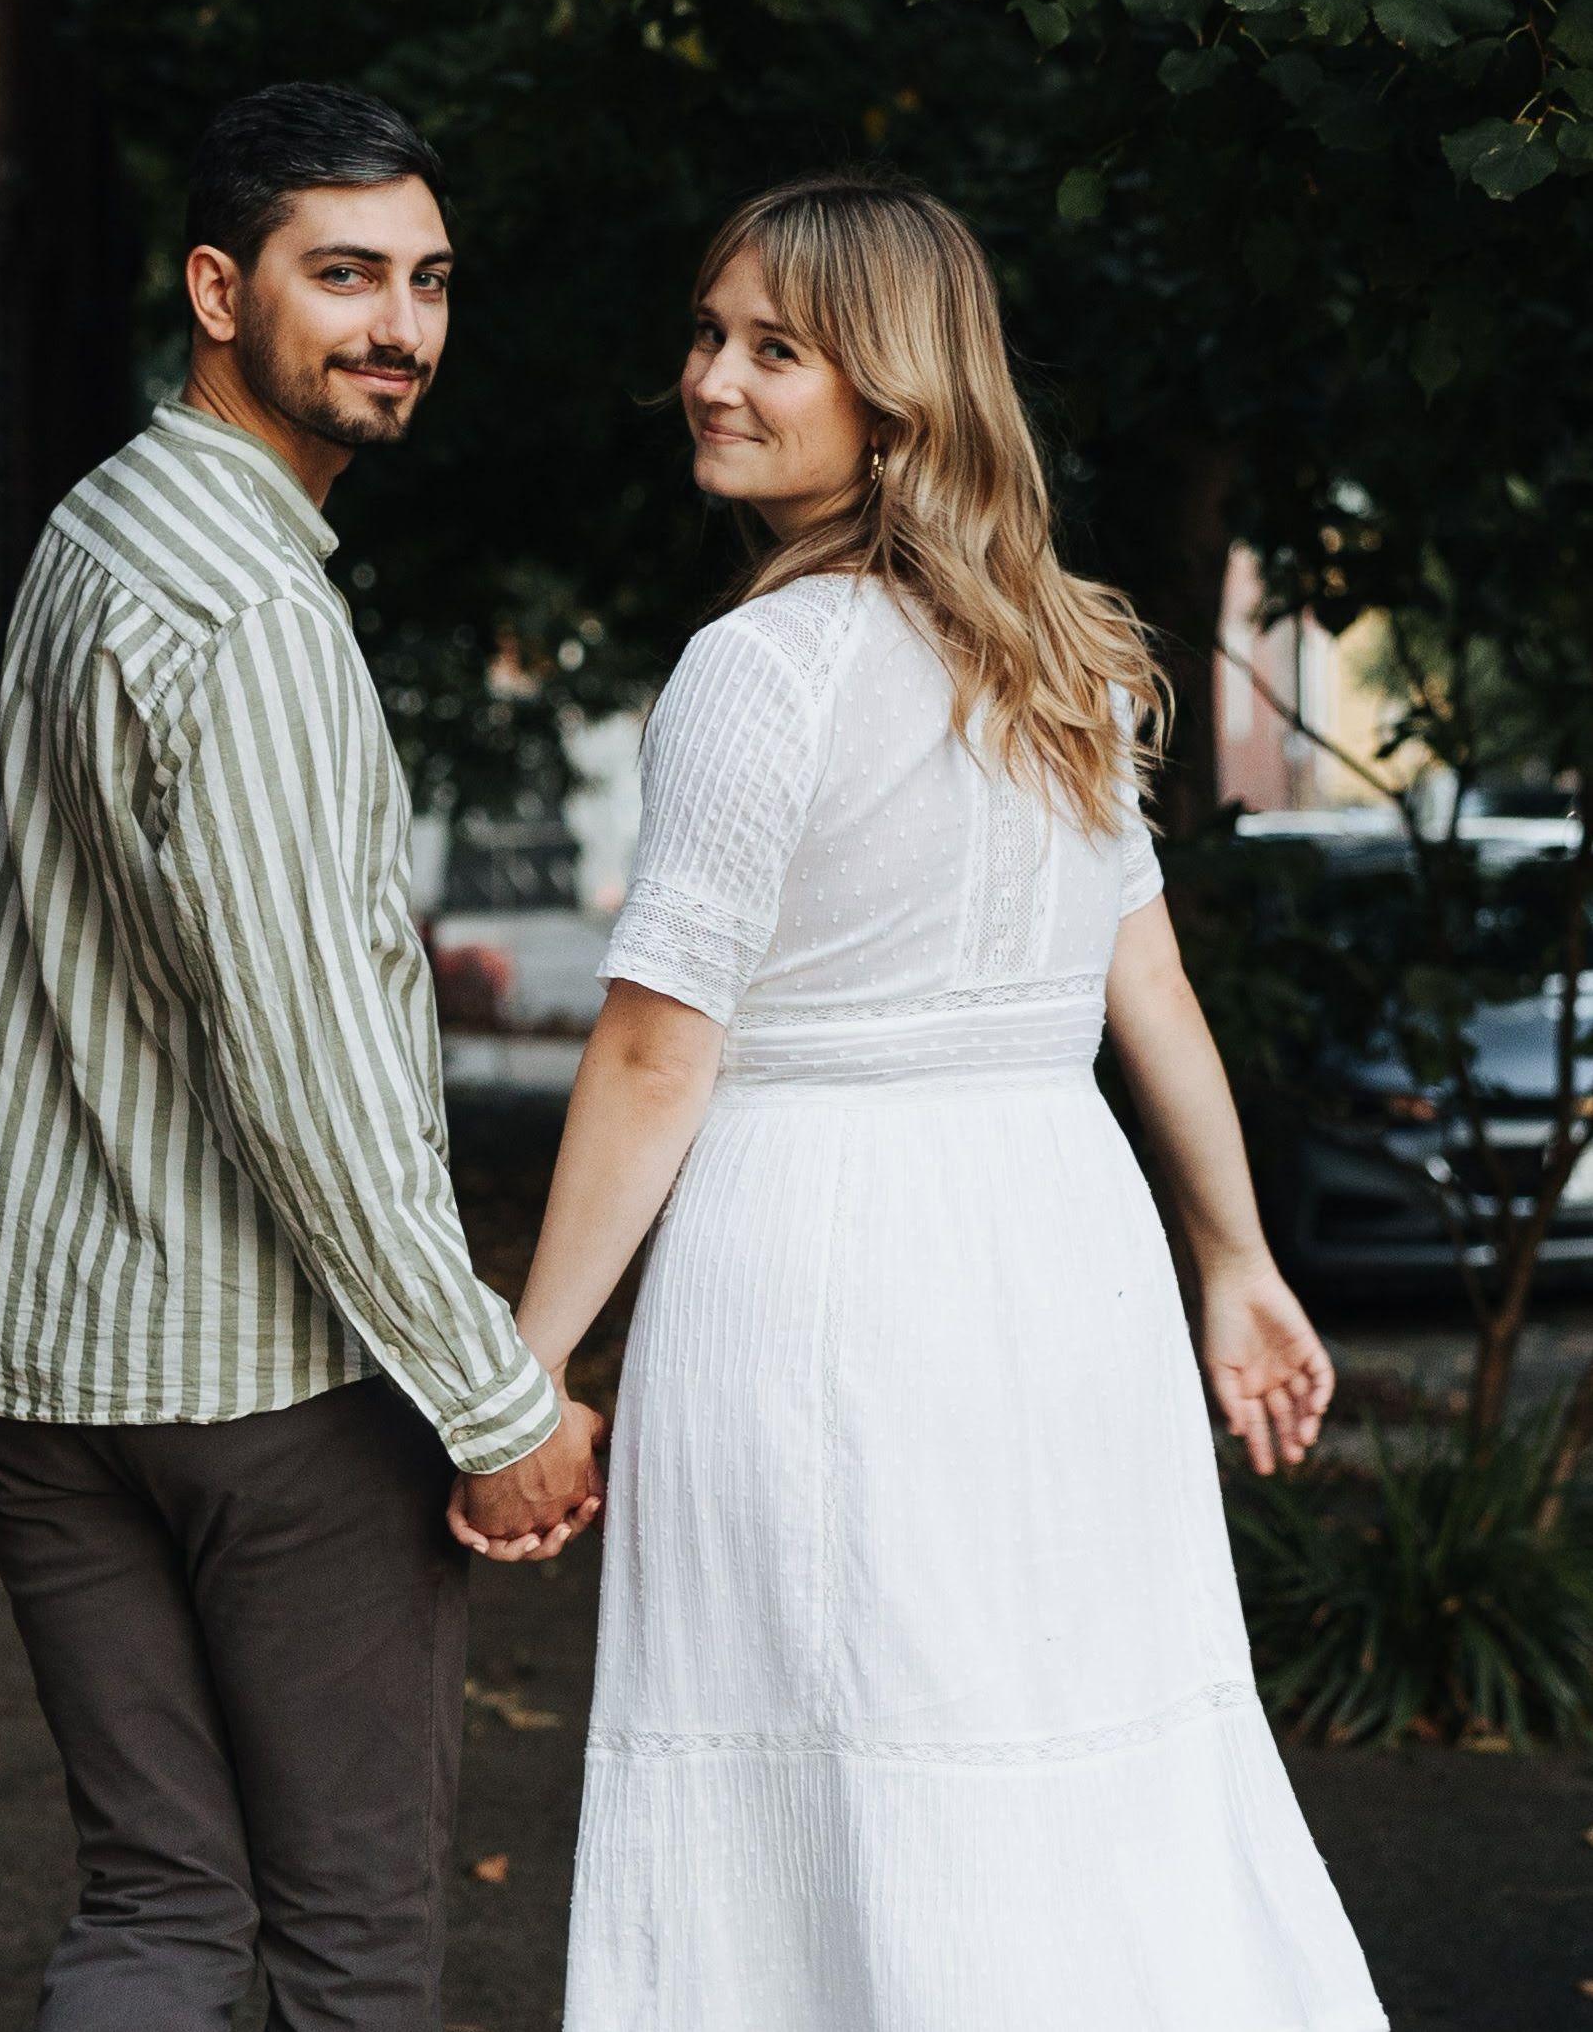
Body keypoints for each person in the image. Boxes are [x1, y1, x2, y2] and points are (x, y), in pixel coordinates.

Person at [449, 168, 1391, 2031]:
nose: (713, 379)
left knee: (830, 1770)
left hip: (828, 1269)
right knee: (1074, 1769)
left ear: (894, 395)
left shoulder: (759, 669)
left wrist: (522, 1373)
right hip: (1066, 1260)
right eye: (709, 334)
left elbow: (654, 1050)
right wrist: (1230, 1257)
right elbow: (1151, 990)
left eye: (774, 350)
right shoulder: (1067, 655)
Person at [0, 80, 603, 2032]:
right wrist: (494, 1401)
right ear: (221, 289)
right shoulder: (254, 621)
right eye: (346, 275)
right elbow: (309, 1076)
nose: (399, 325)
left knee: (154, 1907)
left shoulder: (102, 523)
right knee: (349, 1947)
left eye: (428, 280)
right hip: (258, 1386)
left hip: (40, 1360)